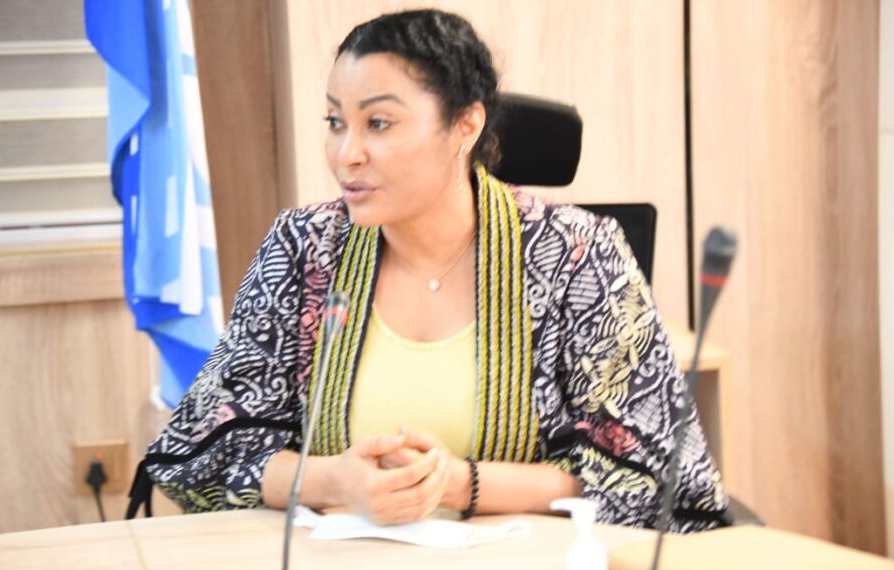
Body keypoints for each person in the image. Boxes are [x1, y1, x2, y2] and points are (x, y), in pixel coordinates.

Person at [143, 8, 728, 532]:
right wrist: (332, 480)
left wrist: (459, 485)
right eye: (335, 122)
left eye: (378, 123)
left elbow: (659, 478)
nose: (347, 154)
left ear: (465, 126)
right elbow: (201, 450)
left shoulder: (576, 253)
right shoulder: (304, 248)